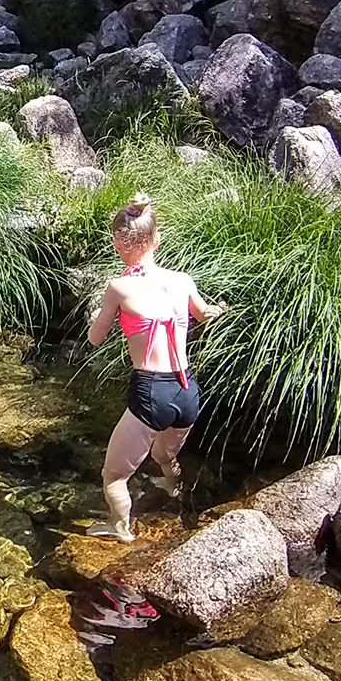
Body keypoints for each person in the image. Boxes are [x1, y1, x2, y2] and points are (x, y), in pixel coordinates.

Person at [84, 193, 225, 542]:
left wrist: (98, 319)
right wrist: (218, 310)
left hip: (151, 393)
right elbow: (204, 314)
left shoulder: (119, 287)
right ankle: (175, 490)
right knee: (164, 453)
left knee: (114, 476)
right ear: (157, 239)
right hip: (187, 391)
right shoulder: (182, 280)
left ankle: (120, 530)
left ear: (118, 242)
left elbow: (96, 339)